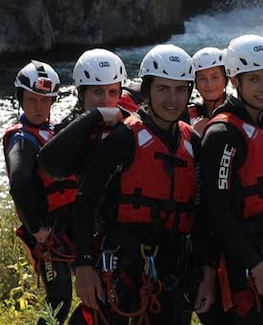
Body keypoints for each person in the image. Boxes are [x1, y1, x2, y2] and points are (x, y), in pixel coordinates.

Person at [72, 43, 215, 324]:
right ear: (147, 91)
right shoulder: (123, 138)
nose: (172, 99)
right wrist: (84, 266)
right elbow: (85, 201)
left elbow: (202, 217)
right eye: (163, 89)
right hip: (120, 264)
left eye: (180, 89)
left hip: (172, 267)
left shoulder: (193, 143)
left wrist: (208, 273)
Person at [200, 34, 263, 325]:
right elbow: (217, 213)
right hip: (247, 266)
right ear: (234, 81)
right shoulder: (223, 135)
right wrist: (258, 268)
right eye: (254, 79)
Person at [3, 61, 77, 325]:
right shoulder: (22, 138)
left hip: (71, 227)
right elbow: (20, 180)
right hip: (48, 234)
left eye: (44, 100)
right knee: (59, 298)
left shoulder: (54, 131)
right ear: (20, 100)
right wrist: (36, 228)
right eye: (31, 99)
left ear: (53, 101)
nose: (37, 107)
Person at [38, 48, 130, 180]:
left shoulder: (130, 124)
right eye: (97, 92)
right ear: (81, 95)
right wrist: (96, 115)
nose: (106, 100)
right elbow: (50, 164)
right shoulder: (69, 128)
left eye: (112, 92)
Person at [189, 47, 227, 136]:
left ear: (226, 78)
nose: (209, 84)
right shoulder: (185, 115)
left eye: (215, 77)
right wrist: (193, 134)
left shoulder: (240, 112)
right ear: (195, 83)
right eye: (202, 78)